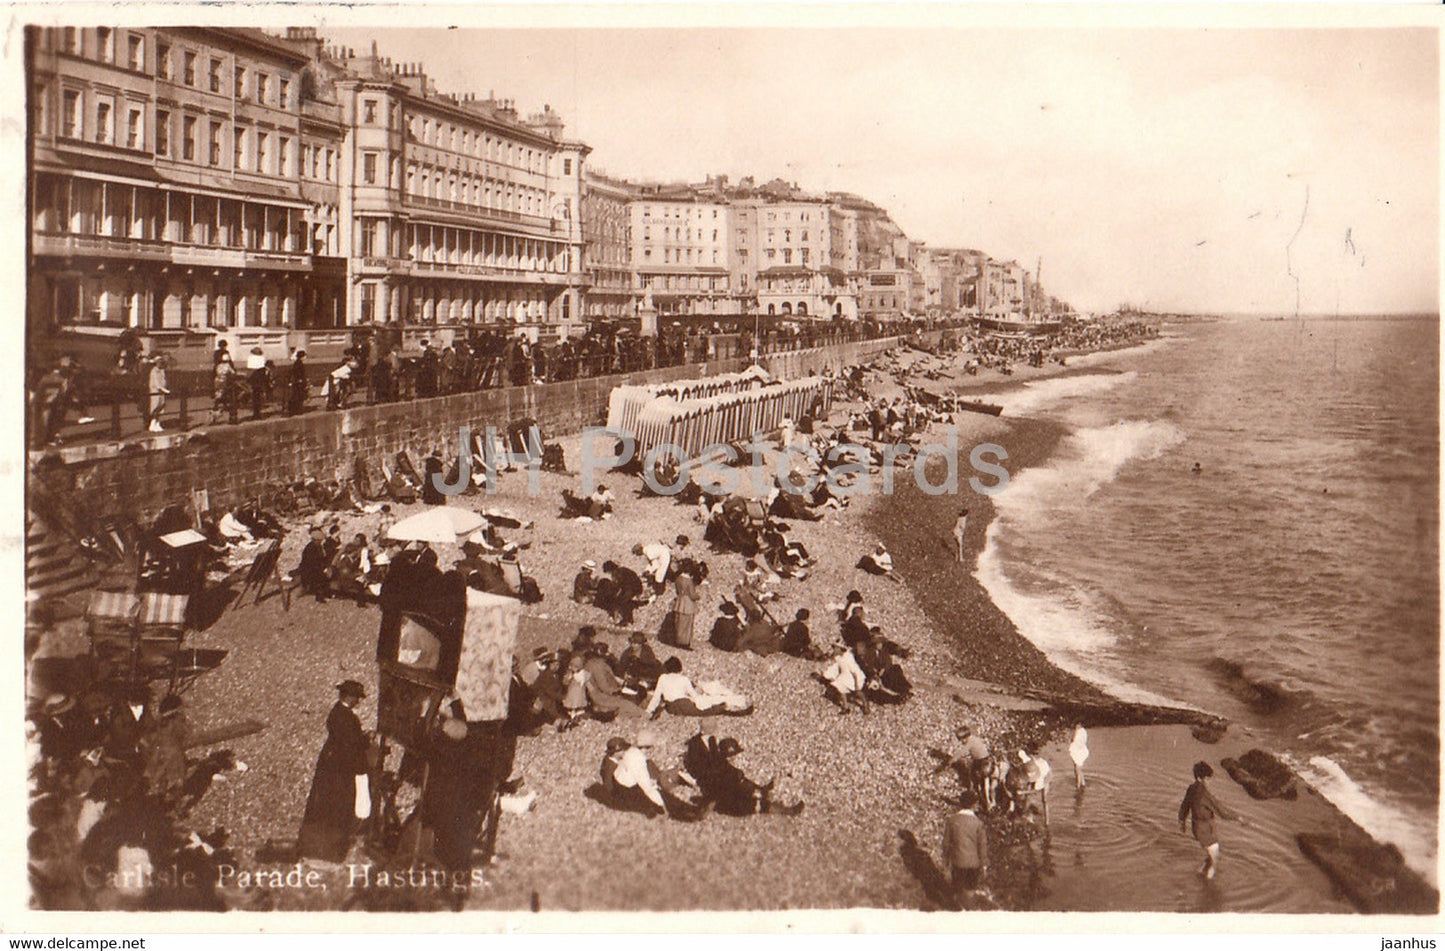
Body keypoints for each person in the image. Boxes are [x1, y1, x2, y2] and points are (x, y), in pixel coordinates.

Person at [297, 680, 371, 863]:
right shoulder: (347, 717)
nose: (358, 702)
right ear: (350, 697)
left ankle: (315, 846)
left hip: (330, 766)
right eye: (357, 698)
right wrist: (365, 740)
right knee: (338, 806)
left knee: (322, 804)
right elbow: (351, 744)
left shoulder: (337, 712)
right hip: (340, 769)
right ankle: (330, 850)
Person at [1178, 761, 1243, 880]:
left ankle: (1200, 873)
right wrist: (1238, 818)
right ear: (1199, 778)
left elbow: (1184, 806)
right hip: (1206, 830)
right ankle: (1207, 885)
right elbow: (1221, 811)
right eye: (1207, 779)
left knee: (1211, 855)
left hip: (1197, 827)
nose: (1209, 782)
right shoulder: (1204, 794)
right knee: (1215, 859)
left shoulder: (1191, 788)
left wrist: (1182, 822)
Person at [645, 657, 751, 718]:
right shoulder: (683, 679)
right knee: (706, 710)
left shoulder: (663, 677)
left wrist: (649, 710)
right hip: (683, 703)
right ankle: (726, 707)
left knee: (705, 706)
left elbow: (656, 697)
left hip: (671, 708)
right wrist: (702, 700)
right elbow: (694, 696)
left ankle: (727, 705)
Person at [599, 732, 666, 818]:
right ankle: (652, 807)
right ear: (616, 752)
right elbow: (609, 786)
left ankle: (656, 781)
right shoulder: (609, 766)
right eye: (622, 750)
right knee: (641, 792)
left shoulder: (617, 759)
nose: (624, 752)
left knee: (646, 765)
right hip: (622, 791)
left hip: (627, 781)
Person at [942, 789, 989, 907]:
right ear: (974, 805)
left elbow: (946, 844)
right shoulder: (978, 823)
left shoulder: (952, 820)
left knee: (957, 890)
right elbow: (982, 846)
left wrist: (946, 863)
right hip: (973, 863)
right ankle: (968, 909)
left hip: (957, 862)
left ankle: (957, 908)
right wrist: (984, 865)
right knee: (970, 891)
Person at [667, 565, 700, 649]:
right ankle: (684, 643)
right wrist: (698, 596)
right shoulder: (689, 581)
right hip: (687, 603)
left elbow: (677, 591)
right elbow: (692, 595)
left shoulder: (678, 578)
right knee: (687, 624)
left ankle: (677, 640)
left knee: (679, 623)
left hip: (680, 601)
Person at [146, 354, 170, 433]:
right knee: (155, 408)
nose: (160, 364)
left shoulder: (162, 371)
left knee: (161, 407)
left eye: (161, 362)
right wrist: (165, 390)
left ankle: (157, 423)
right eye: (159, 362)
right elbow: (157, 384)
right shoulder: (154, 371)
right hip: (155, 392)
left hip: (161, 393)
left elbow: (164, 380)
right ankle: (152, 424)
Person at [286, 350, 309, 416]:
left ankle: (295, 410)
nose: (305, 357)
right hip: (298, 382)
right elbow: (299, 373)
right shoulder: (299, 364)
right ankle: (297, 410)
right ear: (302, 356)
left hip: (296, 382)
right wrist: (301, 380)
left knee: (296, 396)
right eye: (304, 356)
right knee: (298, 396)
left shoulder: (297, 363)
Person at [1069, 723, 1090, 788]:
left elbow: (1073, 740)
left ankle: (1078, 784)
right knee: (1078, 768)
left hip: (1079, 751)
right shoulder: (1083, 731)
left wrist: (1075, 732)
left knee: (1077, 769)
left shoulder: (1079, 731)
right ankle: (1082, 782)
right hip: (1079, 750)